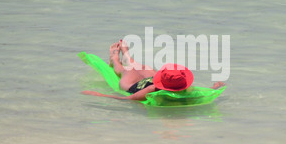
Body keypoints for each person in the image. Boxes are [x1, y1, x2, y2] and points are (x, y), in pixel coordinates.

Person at [82, 40, 225, 101]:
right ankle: (116, 59)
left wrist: (214, 88)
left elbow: (202, 93)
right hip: (136, 86)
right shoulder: (152, 90)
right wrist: (100, 95)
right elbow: (128, 98)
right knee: (131, 70)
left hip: (149, 81)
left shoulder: (184, 88)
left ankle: (126, 57)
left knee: (137, 69)